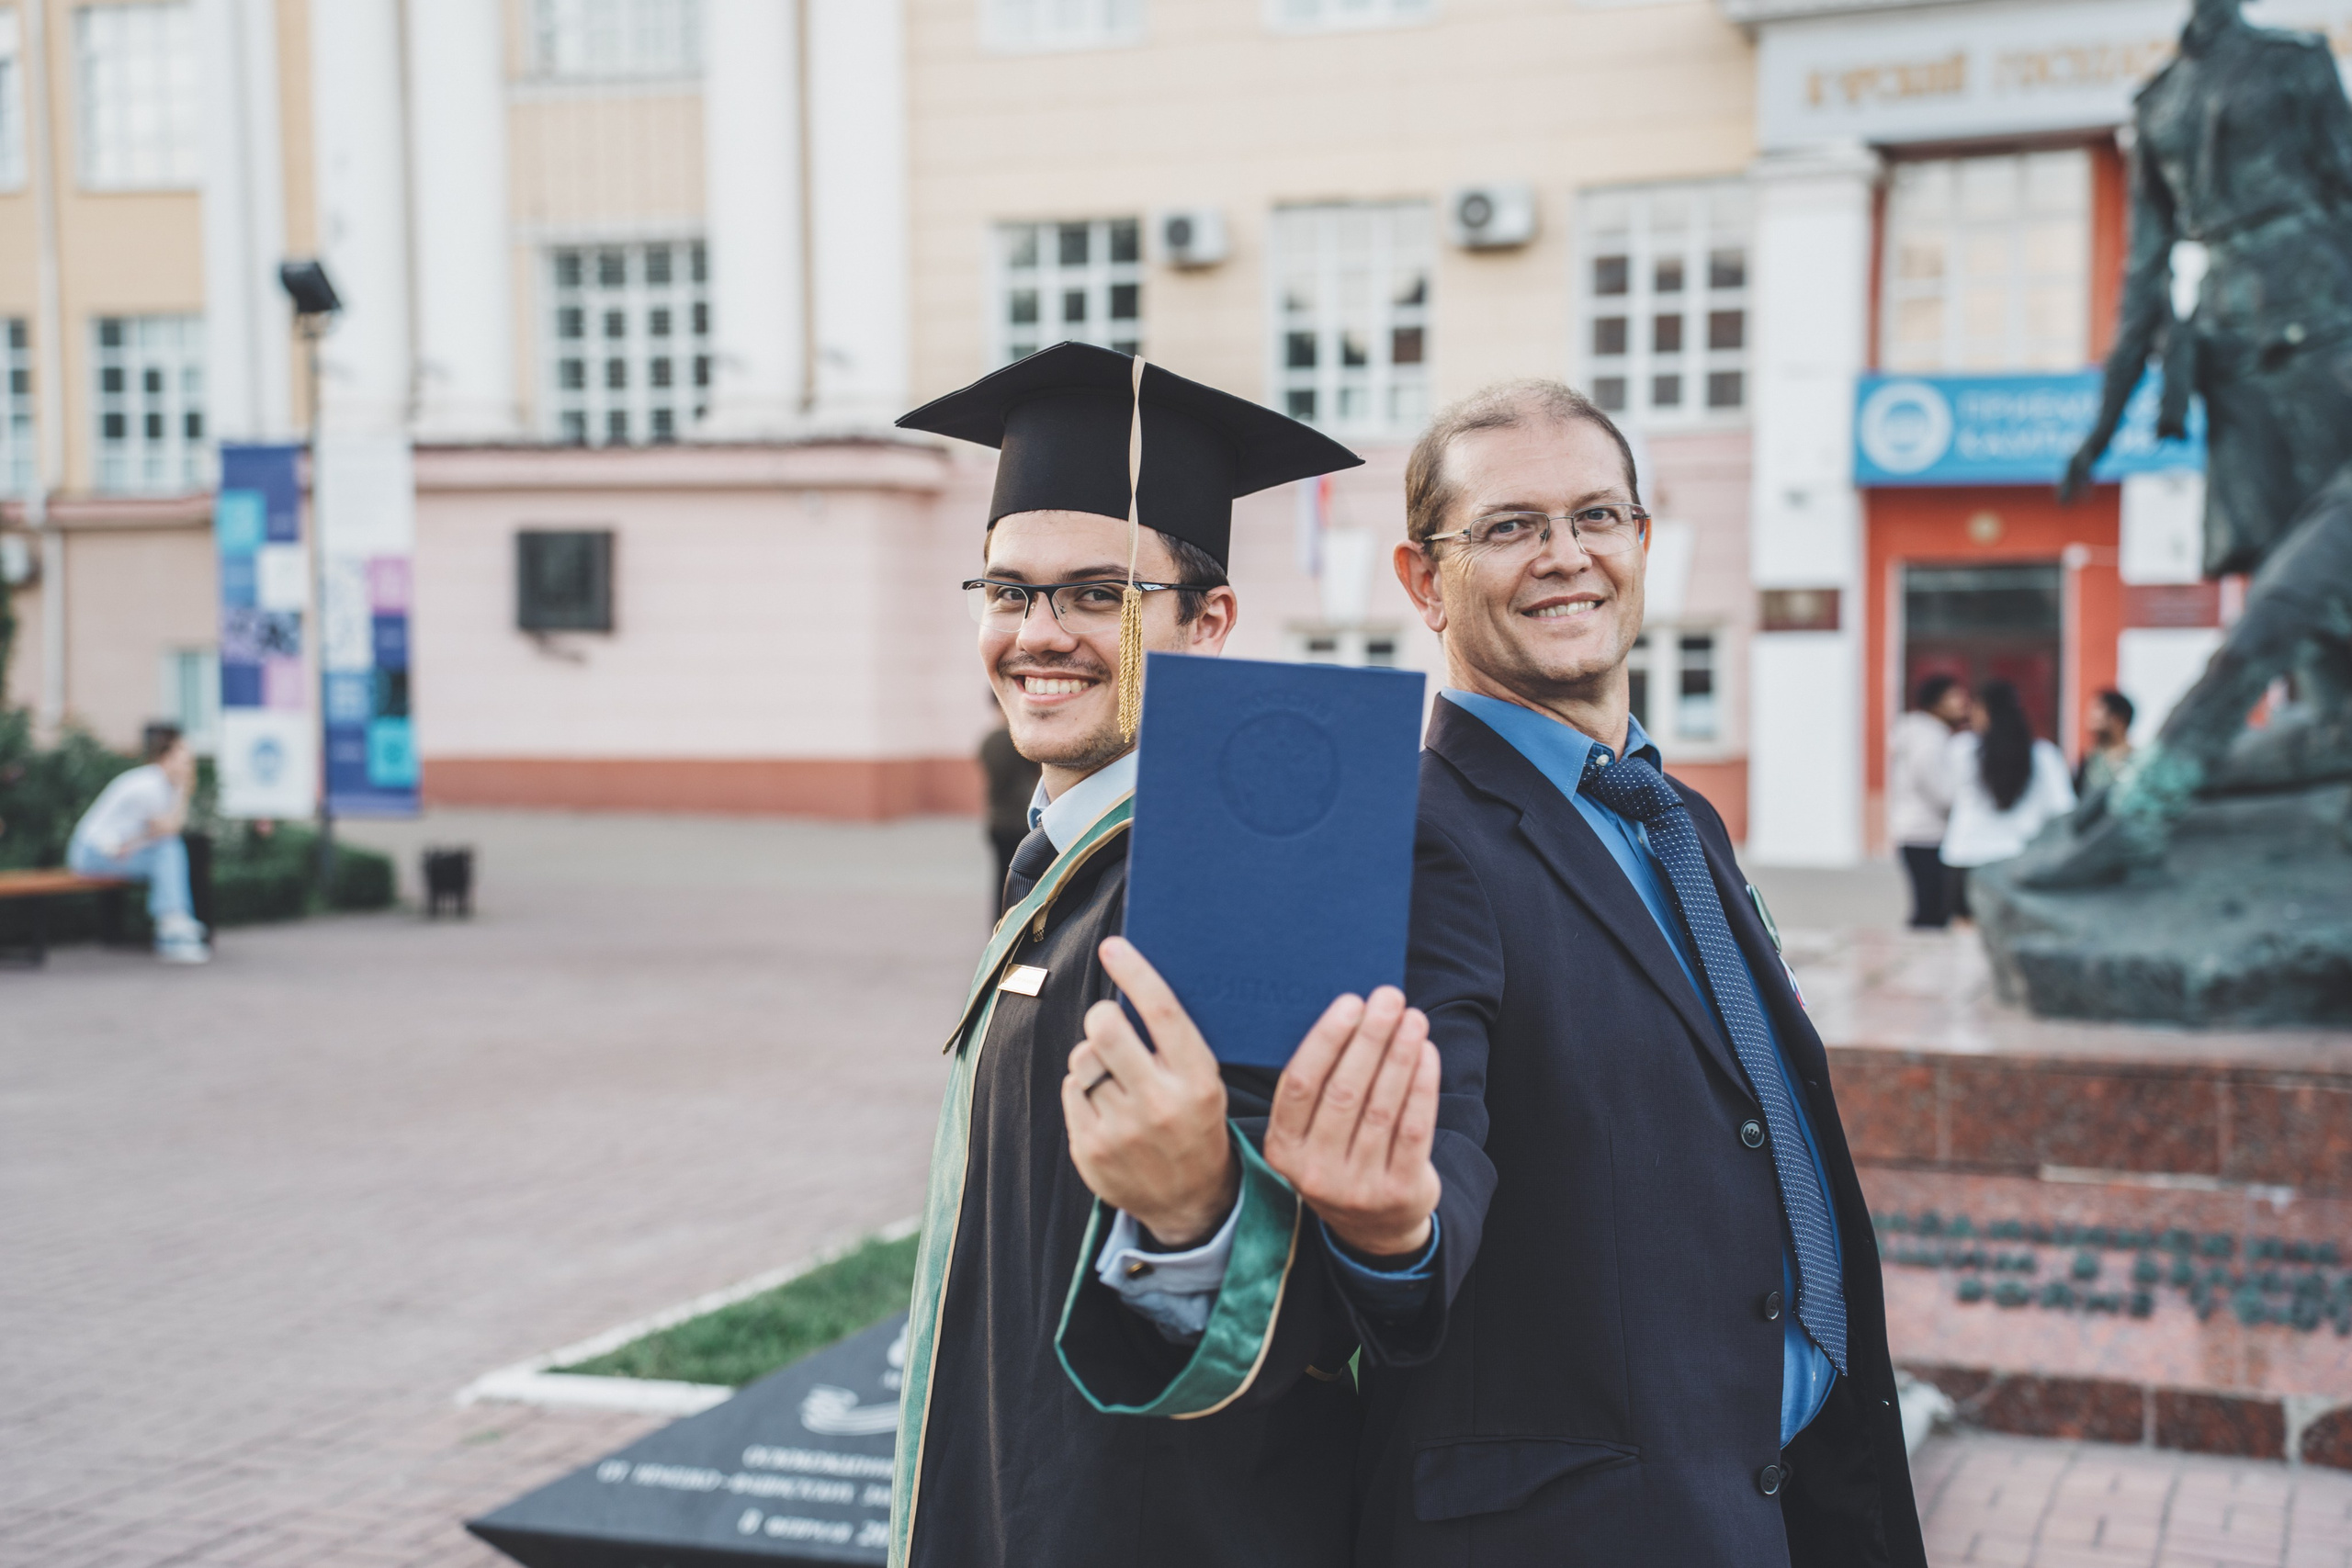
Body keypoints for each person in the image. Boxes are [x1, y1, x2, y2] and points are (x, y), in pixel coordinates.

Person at [1062, 379, 1927, 1566]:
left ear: (1643, 543)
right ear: (1425, 581)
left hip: (1773, 1492)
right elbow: (1431, 1172)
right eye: (1512, 526)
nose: (1565, 556)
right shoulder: (1409, 835)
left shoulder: (1674, 816)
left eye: (1596, 517)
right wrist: (1392, 1218)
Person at [886, 342, 1397, 1568]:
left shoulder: (1228, 887)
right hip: (1016, 1483)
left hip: (1151, 1517)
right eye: (1010, 591)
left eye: (1096, 593)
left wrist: (1194, 1215)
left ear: (1208, 620)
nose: (1038, 632)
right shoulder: (1070, 866)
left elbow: (1323, 1293)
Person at [67, 722, 208, 964]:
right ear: (165, 758)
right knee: (169, 848)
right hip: (91, 853)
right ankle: (172, 926)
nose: (189, 768)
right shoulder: (149, 785)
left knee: (168, 850)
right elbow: (168, 829)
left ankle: (173, 924)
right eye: (185, 761)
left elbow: (160, 832)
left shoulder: (165, 786)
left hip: (119, 850)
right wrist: (185, 790)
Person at [1940, 680, 2077, 884]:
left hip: (1966, 853)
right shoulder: (2045, 754)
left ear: (1985, 711)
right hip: (2020, 856)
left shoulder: (1962, 749)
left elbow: (1945, 797)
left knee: (1965, 916)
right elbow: (2062, 808)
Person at [1890, 674, 1971, 929]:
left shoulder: (1921, 733)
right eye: (1954, 698)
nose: (1962, 704)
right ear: (1935, 703)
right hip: (1926, 833)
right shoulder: (1928, 737)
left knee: (1930, 907)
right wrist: (1962, 806)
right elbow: (1937, 787)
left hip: (1917, 831)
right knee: (1932, 911)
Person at [977, 714, 1039, 899]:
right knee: (1021, 881)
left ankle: (999, 922)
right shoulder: (1019, 739)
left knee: (1001, 878)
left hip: (996, 818)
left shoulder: (988, 740)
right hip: (1020, 819)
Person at [2075, 688, 2135, 800]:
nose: (2091, 715)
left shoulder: (2136, 759)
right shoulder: (2090, 759)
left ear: (2118, 719)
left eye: (2098, 708)